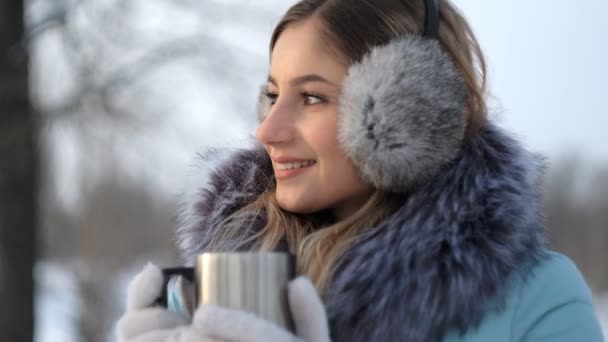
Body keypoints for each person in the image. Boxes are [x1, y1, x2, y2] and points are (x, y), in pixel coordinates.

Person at [116, 0, 605, 341]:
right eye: (272, 95)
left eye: (311, 98)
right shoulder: (232, 284)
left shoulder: (537, 297)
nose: (268, 130)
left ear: (408, 111)